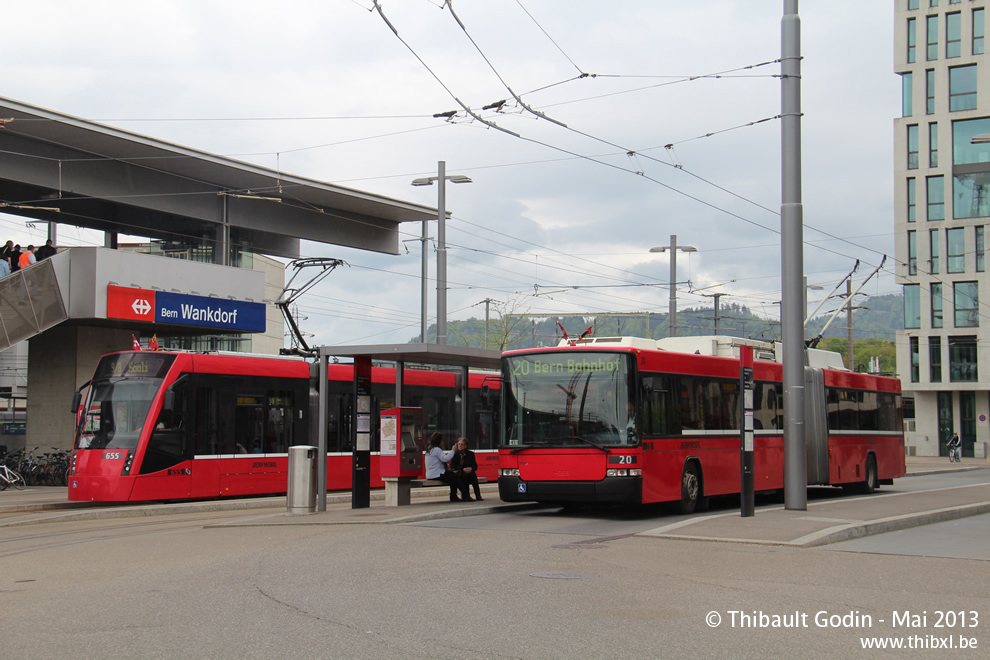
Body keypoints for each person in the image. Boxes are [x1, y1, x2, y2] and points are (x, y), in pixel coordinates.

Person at [425, 432, 468, 502]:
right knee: (455, 477)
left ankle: (454, 496)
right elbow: (445, 459)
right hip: (437, 473)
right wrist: (453, 450)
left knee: (452, 477)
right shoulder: (437, 450)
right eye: (442, 440)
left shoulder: (429, 450)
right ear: (439, 441)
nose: (443, 442)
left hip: (430, 474)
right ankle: (464, 495)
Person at [449, 437, 482, 501]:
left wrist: (471, 468)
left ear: (465, 446)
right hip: (459, 472)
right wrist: (462, 469)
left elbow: (475, 466)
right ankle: (465, 496)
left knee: (473, 475)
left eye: (462, 444)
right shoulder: (455, 454)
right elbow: (452, 466)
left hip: (468, 472)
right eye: (459, 444)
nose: (460, 446)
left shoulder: (470, 454)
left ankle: (478, 495)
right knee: (464, 476)